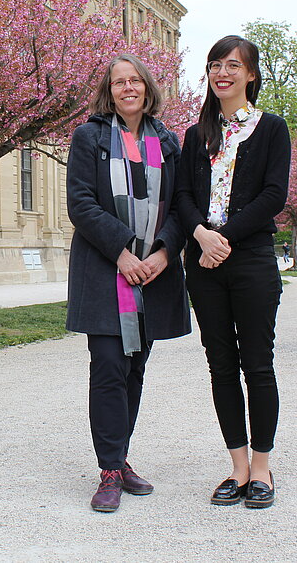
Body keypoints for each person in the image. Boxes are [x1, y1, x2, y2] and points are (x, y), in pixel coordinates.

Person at [66, 53, 191, 513]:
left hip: (154, 274)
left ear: (147, 87)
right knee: (108, 369)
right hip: (105, 270)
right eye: (119, 82)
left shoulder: (168, 142)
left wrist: (161, 253)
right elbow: (81, 203)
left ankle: (120, 457)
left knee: (135, 370)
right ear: (109, 90)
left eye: (135, 80)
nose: (128, 87)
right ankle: (109, 471)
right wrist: (122, 253)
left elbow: (181, 205)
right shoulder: (89, 137)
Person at [177, 35, 291, 509]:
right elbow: (181, 196)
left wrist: (225, 238)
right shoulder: (195, 135)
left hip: (250, 261)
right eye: (215, 65)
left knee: (257, 365)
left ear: (250, 75)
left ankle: (262, 470)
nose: (222, 73)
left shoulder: (271, 129)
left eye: (233, 65)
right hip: (202, 263)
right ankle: (237, 467)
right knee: (220, 366)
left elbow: (273, 195)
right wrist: (202, 236)